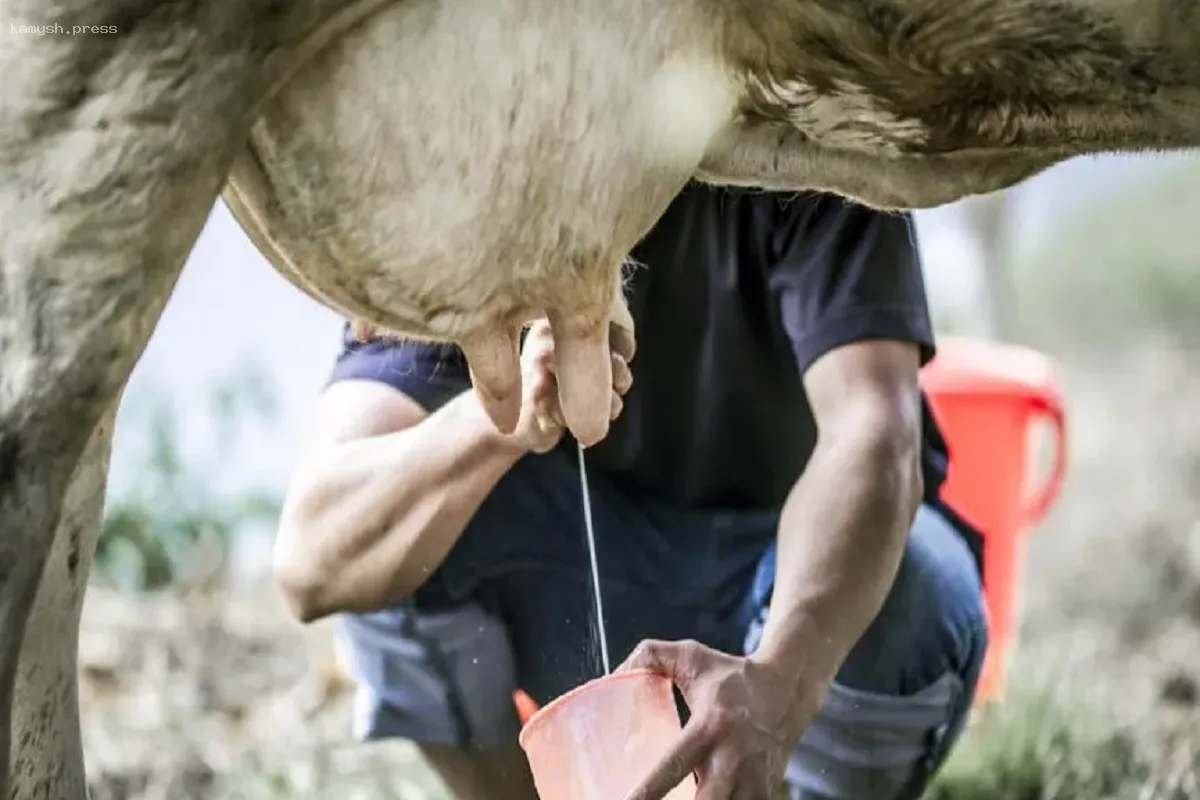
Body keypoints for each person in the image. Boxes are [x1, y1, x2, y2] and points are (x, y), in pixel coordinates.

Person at [273, 183, 989, 800]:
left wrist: (781, 681)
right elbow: (313, 558)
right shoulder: (469, 207)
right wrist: (500, 418)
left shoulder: (809, 135)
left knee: (917, 587)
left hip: (795, 584)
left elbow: (875, 431)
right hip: (601, 591)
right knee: (390, 542)